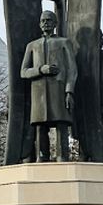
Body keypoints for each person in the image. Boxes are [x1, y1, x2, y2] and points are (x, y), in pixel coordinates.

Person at [19, 9, 78, 161]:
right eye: (43, 20)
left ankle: (62, 157)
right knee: (40, 126)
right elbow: (23, 72)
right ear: (39, 24)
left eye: (49, 20)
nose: (46, 23)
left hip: (58, 90)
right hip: (39, 92)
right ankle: (42, 157)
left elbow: (72, 70)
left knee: (61, 125)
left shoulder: (64, 43)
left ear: (55, 23)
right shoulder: (32, 46)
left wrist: (69, 92)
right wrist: (40, 69)